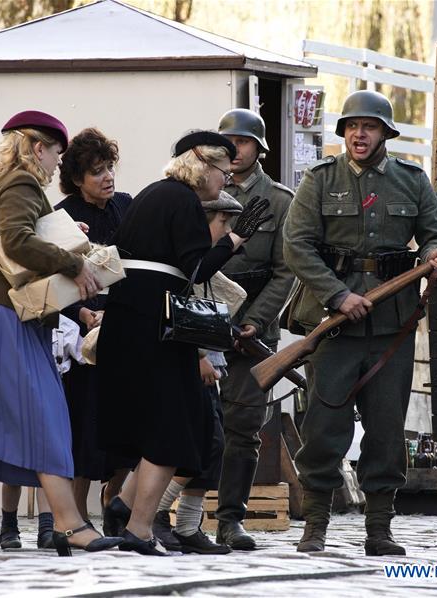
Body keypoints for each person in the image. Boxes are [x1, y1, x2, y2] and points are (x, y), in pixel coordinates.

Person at [0, 110, 122, 557]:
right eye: (55, 152)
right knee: (47, 415)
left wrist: (65, 237)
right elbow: (15, 241)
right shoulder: (21, 181)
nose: (57, 163)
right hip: (0, 317)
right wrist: (76, 262)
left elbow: (18, 237)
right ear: (38, 147)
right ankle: (71, 524)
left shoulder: (4, 182)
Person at [283, 90, 437, 556]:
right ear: (343, 132)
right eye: (352, 127)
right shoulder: (320, 179)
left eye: (370, 127)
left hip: (390, 324)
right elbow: (296, 245)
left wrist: (434, 253)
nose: (359, 134)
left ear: (385, 133)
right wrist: (338, 294)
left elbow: (434, 231)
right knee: (323, 425)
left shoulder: (411, 180)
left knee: (385, 430)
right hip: (332, 322)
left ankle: (379, 529)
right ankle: (315, 525)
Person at [95, 130, 271, 555]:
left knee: (172, 420)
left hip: (128, 315)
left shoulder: (153, 194)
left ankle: (123, 506)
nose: (226, 181)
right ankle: (139, 529)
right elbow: (196, 269)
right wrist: (235, 239)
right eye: (224, 173)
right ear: (204, 166)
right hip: (154, 321)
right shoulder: (186, 201)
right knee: (172, 429)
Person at [214, 108, 295, 550]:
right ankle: (178, 515)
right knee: (197, 419)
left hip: (254, 327)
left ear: (258, 149)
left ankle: (230, 518)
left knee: (244, 424)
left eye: (242, 142)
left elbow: (287, 271)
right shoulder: (202, 187)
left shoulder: (280, 200)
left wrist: (254, 320)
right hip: (204, 318)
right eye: (227, 143)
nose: (234, 150)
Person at [152, 192, 245, 556]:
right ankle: (159, 512)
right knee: (203, 441)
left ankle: (188, 525)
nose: (226, 231)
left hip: (210, 359)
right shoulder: (184, 257)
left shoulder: (203, 260)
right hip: (190, 361)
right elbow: (177, 312)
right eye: (221, 222)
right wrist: (200, 356)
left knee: (213, 444)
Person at [53, 127, 134, 530]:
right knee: (84, 428)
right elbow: (51, 280)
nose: (107, 177)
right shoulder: (62, 215)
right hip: (80, 337)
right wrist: (82, 314)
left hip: (121, 329)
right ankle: (77, 518)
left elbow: (135, 266)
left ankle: (115, 498)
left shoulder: (126, 206)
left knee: (126, 425)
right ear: (78, 178)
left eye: (109, 168)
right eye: (97, 171)